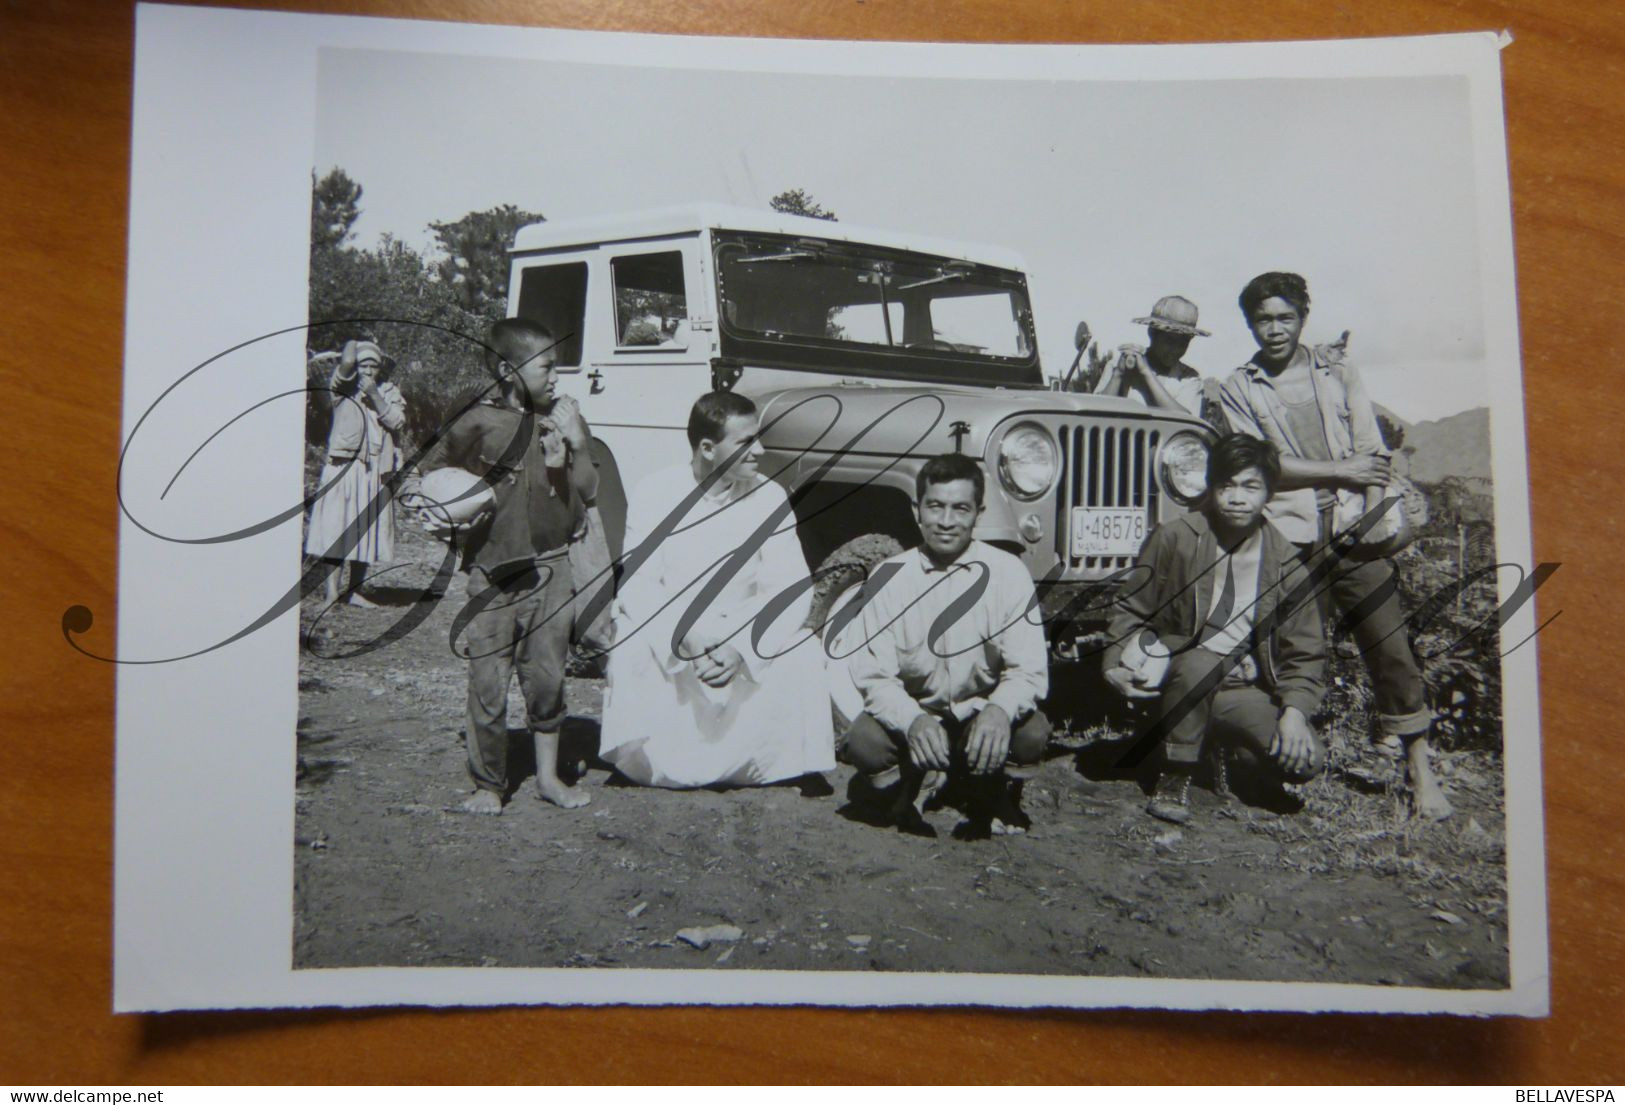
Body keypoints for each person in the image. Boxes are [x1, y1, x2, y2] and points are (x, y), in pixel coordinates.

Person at [1217, 271, 1453, 820]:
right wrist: (1341, 468)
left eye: (1284, 317)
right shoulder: (1238, 385)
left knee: (1390, 646)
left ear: (1303, 317)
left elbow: (1372, 449)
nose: (1273, 330)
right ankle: (1279, 757)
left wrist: (1370, 511)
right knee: (1292, 652)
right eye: (1261, 319)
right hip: (1289, 537)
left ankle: (1420, 772)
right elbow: (1263, 465)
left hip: (1355, 532)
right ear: (1249, 323)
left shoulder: (1338, 370)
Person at [598, 392, 835, 788]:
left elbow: (790, 588)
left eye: (758, 438)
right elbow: (639, 585)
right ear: (707, 448)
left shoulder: (770, 497)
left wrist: (741, 647)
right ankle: (657, 762)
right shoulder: (654, 491)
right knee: (630, 642)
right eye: (745, 442)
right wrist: (685, 639)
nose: (759, 451)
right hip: (675, 633)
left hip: (742, 629)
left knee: (803, 648)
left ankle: (768, 762)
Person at [414, 318, 596, 814]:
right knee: (487, 679)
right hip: (492, 573)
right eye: (546, 366)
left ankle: (548, 778)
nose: (556, 376)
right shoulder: (475, 421)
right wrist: (445, 506)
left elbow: (588, 494)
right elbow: (429, 476)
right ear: (508, 369)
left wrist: (573, 449)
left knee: (548, 676)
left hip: (552, 567)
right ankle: (488, 784)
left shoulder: (562, 419)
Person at [1104, 435, 1328, 824]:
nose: (1237, 498)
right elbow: (1130, 607)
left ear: (1269, 493)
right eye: (1226, 485)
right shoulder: (1176, 537)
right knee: (1199, 663)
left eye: (1250, 486)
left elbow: (1305, 652)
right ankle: (1174, 773)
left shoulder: (1286, 564)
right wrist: (1114, 665)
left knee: (1304, 761)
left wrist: (1293, 713)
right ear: (1212, 487)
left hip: (1240, 688)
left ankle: (1219, 749)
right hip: (1178, 677)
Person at [842, 454, 1051, 838]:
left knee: (1031, 731)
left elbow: (1029, 670)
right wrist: (913, 719)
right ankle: (914, 782)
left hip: (980, 714)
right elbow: (874, 676)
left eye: (960, 508)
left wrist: (999, 711)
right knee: (865, 740)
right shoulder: (889, 577)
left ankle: (996, 791)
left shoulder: (1009, 574)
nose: (946, 521)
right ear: (916, 509)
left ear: (978, 513)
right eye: (935, 506)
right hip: (922, 718)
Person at [305, 339, 406, 607]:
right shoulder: (341, 388)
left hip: (375, 469)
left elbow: (397, 420)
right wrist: (354, 341)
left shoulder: (389, 390)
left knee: (365, 531)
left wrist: (375, 395)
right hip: (345, 466)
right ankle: (331, 593)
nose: (369, 370)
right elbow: (347, 361)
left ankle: (354, 591)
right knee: (337, 527)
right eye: (364, 364)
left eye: (374, 365)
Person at [1091, 295, 1209, 418]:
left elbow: (1185, 420)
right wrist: (1119, 374)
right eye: (1169, 341)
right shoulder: (1117, 365)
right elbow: (1095, 413)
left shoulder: (1188, 379)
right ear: (1152, 333)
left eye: (1183, 343)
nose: (1175, 350)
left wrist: (1146, 373)